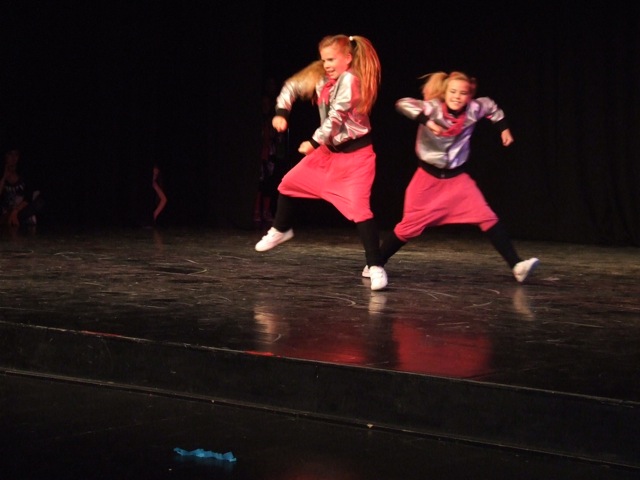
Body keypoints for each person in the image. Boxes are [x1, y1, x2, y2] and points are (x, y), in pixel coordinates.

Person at [362, 71, 538, 283]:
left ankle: (516, 265)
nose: (457, 96)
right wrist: (427, 122)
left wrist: (504, 129)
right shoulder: (433, 108)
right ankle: (376, 263)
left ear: (469, 96)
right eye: (453, 92)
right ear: (444, 93)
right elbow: (402, 104)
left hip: (457, 180)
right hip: (427, 179)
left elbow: (492, 107)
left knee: (487, 216)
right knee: (408, 227)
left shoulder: (474, 108)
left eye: (463, 93)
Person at [254, 34, 388, 291]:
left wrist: (314, 142)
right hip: (329, 153)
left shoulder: (350, 80)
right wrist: (281, 112)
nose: (326, 65)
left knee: (360, 209)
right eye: (324, 59)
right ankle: (281, 229)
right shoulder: (321, 76)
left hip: (356, 157)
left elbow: (337, 116)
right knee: (288, 184)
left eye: (331, 59)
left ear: (347, 58)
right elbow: (292, 86)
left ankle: (375, 266)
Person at [0, 147, 43, 229]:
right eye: (10, 154)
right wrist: (4, 177)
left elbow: (28, 197)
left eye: (16, 154)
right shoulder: (2, 176)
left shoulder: (24, 174)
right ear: (5, 156)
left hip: (21, 210)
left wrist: (15, 211)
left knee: (39, 201)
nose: (13, 158)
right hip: (6, 212)